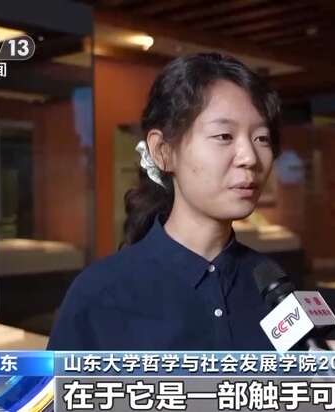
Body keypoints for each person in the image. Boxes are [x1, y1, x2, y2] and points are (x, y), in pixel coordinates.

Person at [47, 53, 282, 350]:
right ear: (162, 151)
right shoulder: (99, 293)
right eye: (224, 136)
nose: (249, 157)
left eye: (261, 138)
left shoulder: (272, 282)